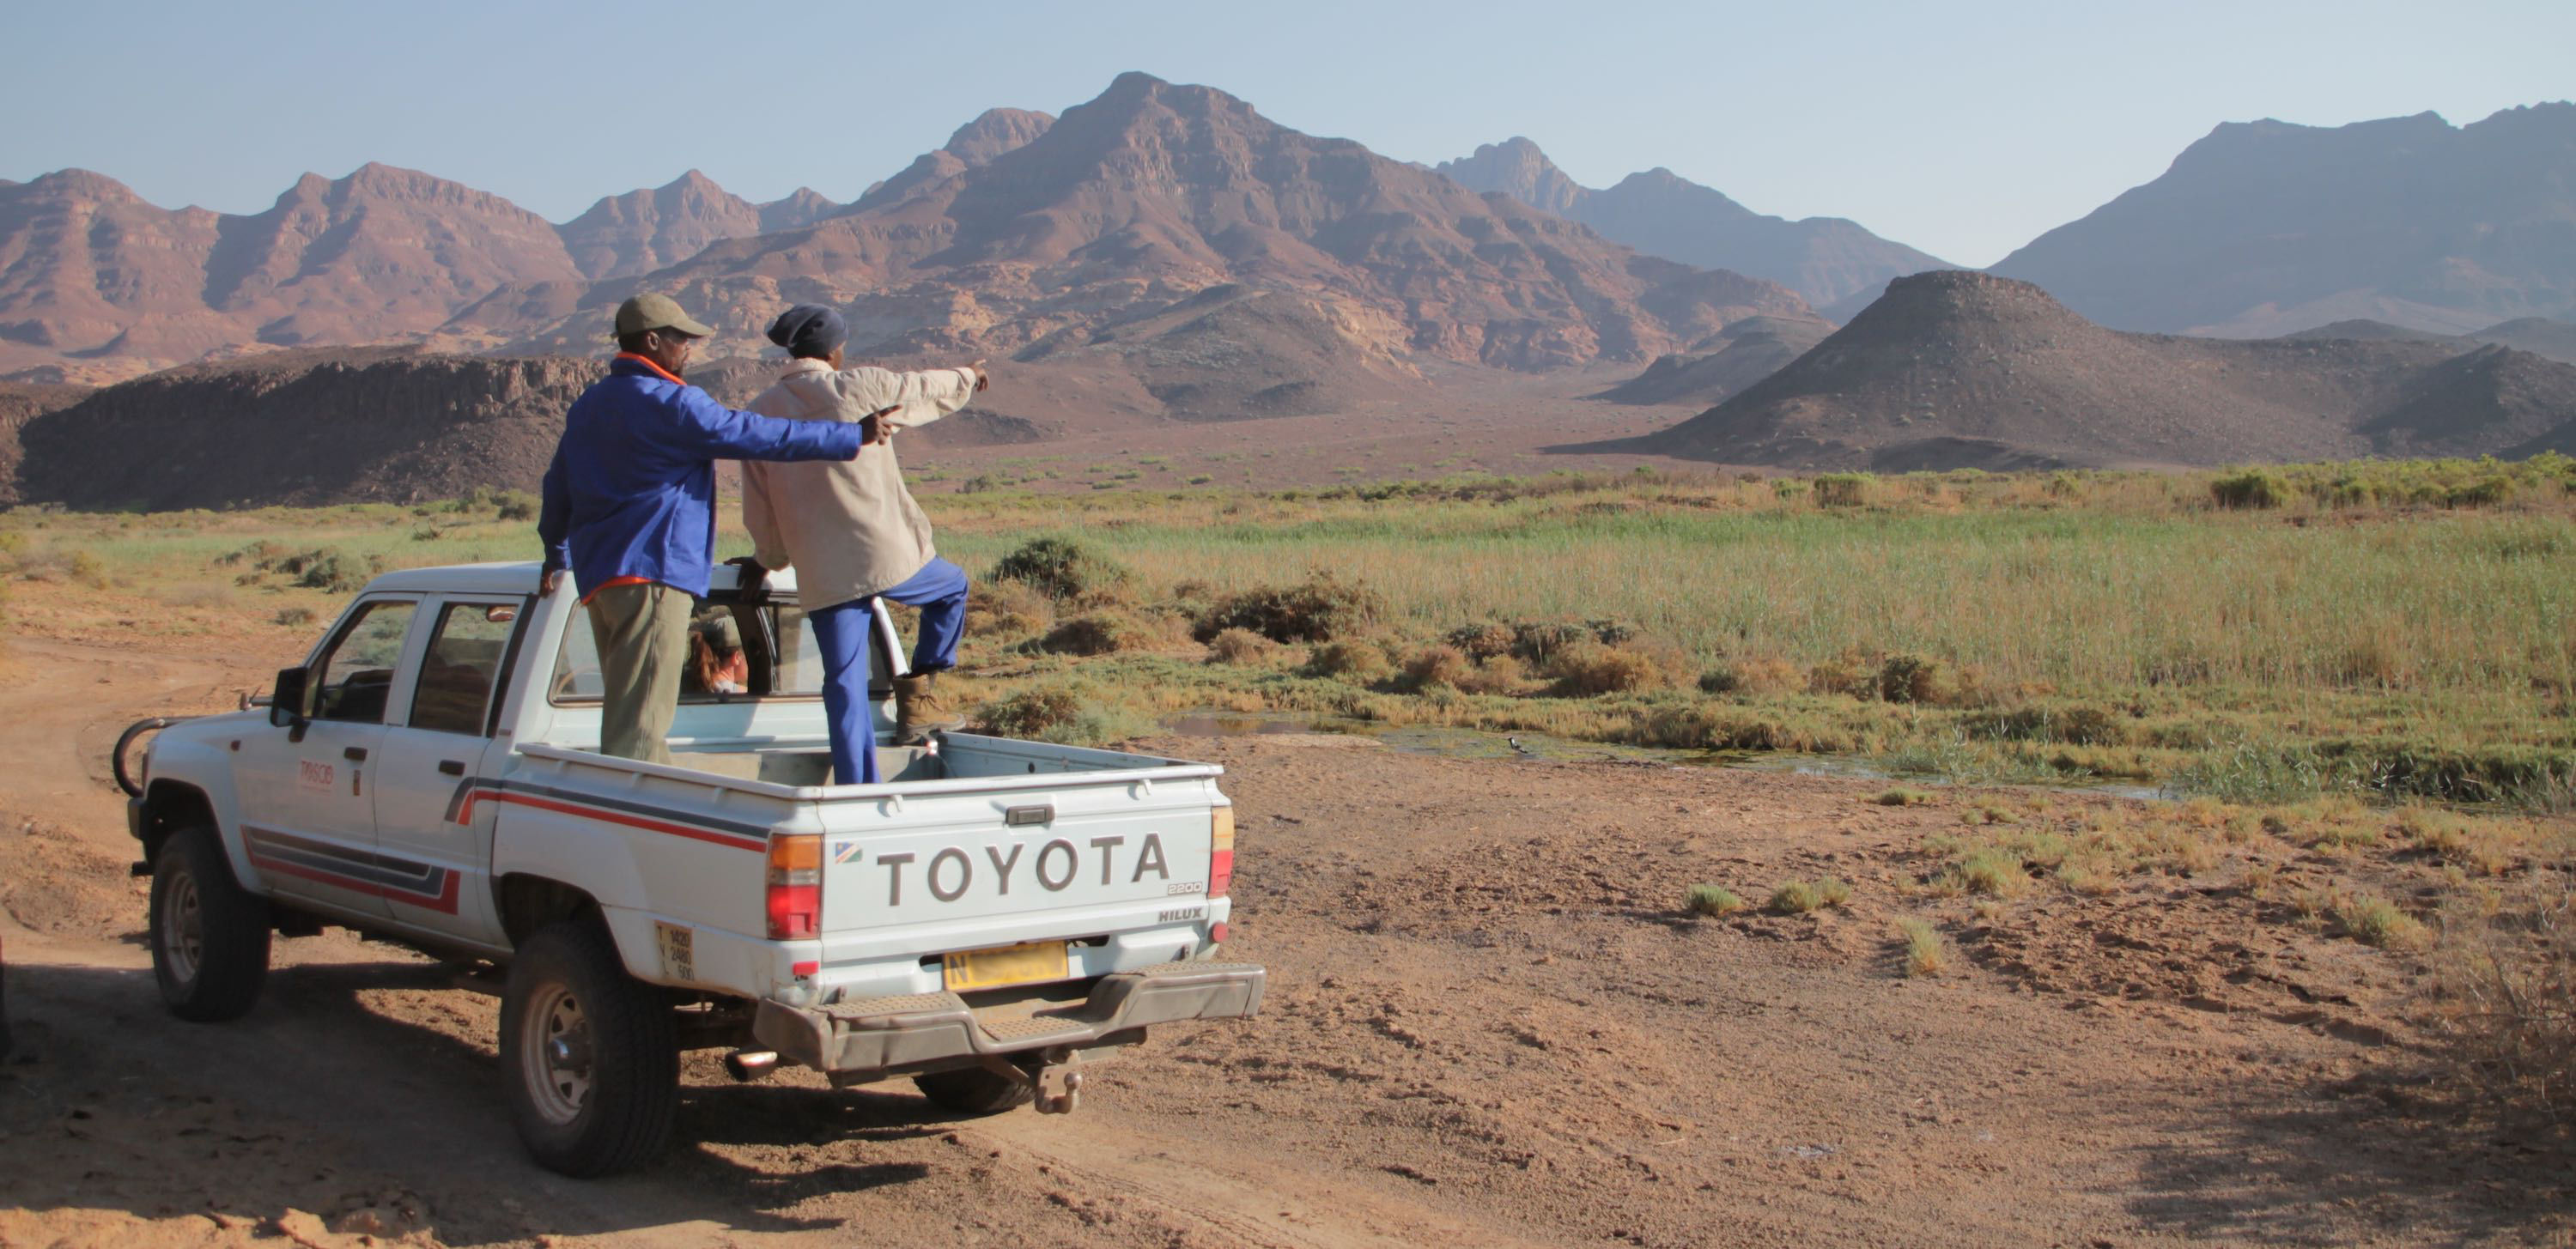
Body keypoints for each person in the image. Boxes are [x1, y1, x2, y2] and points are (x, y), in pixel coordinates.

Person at [538, 294, 873, 764]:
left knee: (626, 707)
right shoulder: (672, 403)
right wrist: (851, 436)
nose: (690, 348)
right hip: (652, 575)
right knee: (639, 731)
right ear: (653, 341)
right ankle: (644, 825)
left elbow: (558, 486)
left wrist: (556, 555)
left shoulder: (591, 404)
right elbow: (758, 433)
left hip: (601, 583)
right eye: (682, 338)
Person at [738, 304, 987, 785]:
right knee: (951, 587)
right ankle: (920, 697)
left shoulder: (762, 410)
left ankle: (858, 786)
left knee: (843, 684)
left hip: (822, 569)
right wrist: (969, 376)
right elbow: (922, 388)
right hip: (885, 555)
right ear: (835, 350)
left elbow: (760, 502)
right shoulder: (858, 385)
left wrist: (766, 560)